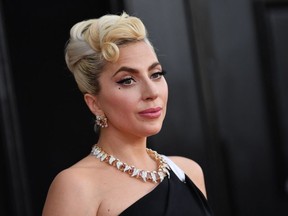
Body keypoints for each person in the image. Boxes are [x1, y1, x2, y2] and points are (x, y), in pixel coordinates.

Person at [42, 12, 213, 216]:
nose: (152, 92)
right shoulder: (76, 187)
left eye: (156, 74)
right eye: (127, 80)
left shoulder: (188, 171)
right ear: (95, 103)